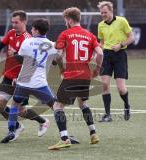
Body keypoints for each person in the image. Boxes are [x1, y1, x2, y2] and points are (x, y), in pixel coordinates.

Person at [48, 7, 103, 150]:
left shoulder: (65, 34)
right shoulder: (90, 35)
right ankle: (93, 133)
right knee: (82, 104)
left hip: (71, 75)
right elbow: (100, 53)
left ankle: (64, 138)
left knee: (57, 106)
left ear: (70, 20)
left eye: (66, 20)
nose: (65, 22)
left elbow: (58, 55)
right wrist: (97, 68)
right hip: (85, 76)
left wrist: (60, 68)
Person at [0, 10, 49, 140]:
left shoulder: (29, 39)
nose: (14, 25)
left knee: (22, 111)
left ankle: (42, 121)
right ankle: (16, 126)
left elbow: (29, 61)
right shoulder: (11, 33)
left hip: (22, 79)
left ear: (24, 22)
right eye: (12, 22)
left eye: (16, 22)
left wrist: (19, 72)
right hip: (8, 76)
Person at [0, 18, 59, 143]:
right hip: (40, 83)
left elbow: (21, 59)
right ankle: (65, 134)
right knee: (56, 106)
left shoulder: (27, 42)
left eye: (32, 28)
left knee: (15, 105)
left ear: (36, 30)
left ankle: (11, 130)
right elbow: (55, 62)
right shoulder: (52, 45)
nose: (31, 30)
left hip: (24, 81)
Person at [97, 1, 134, 122]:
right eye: (101, 13)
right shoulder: (100, 25)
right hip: (106, 56)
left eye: (105, 12)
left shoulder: (122, 21)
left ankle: (127, 106)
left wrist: (121, 45)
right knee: (105, 84)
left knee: (121, 88)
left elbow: (131, 37)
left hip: (120, 55)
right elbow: (102, 42)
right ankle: (107, 115)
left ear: (111, 11)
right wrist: (98, 51)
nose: (103, 15)